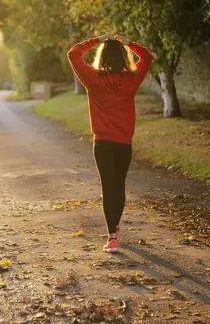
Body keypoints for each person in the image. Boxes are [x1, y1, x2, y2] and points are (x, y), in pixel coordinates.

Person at [67, 33, 154, 252]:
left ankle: (112, 236)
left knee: (109, 186)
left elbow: (73, 54)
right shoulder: (131, 80)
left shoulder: (93, 79)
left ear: (102, 56)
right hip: (123, 143)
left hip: (103, 143)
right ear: (124, 57)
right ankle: (115, 230)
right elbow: (147, 56)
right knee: (119, 185)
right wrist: (129, 43)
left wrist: (96, 40)